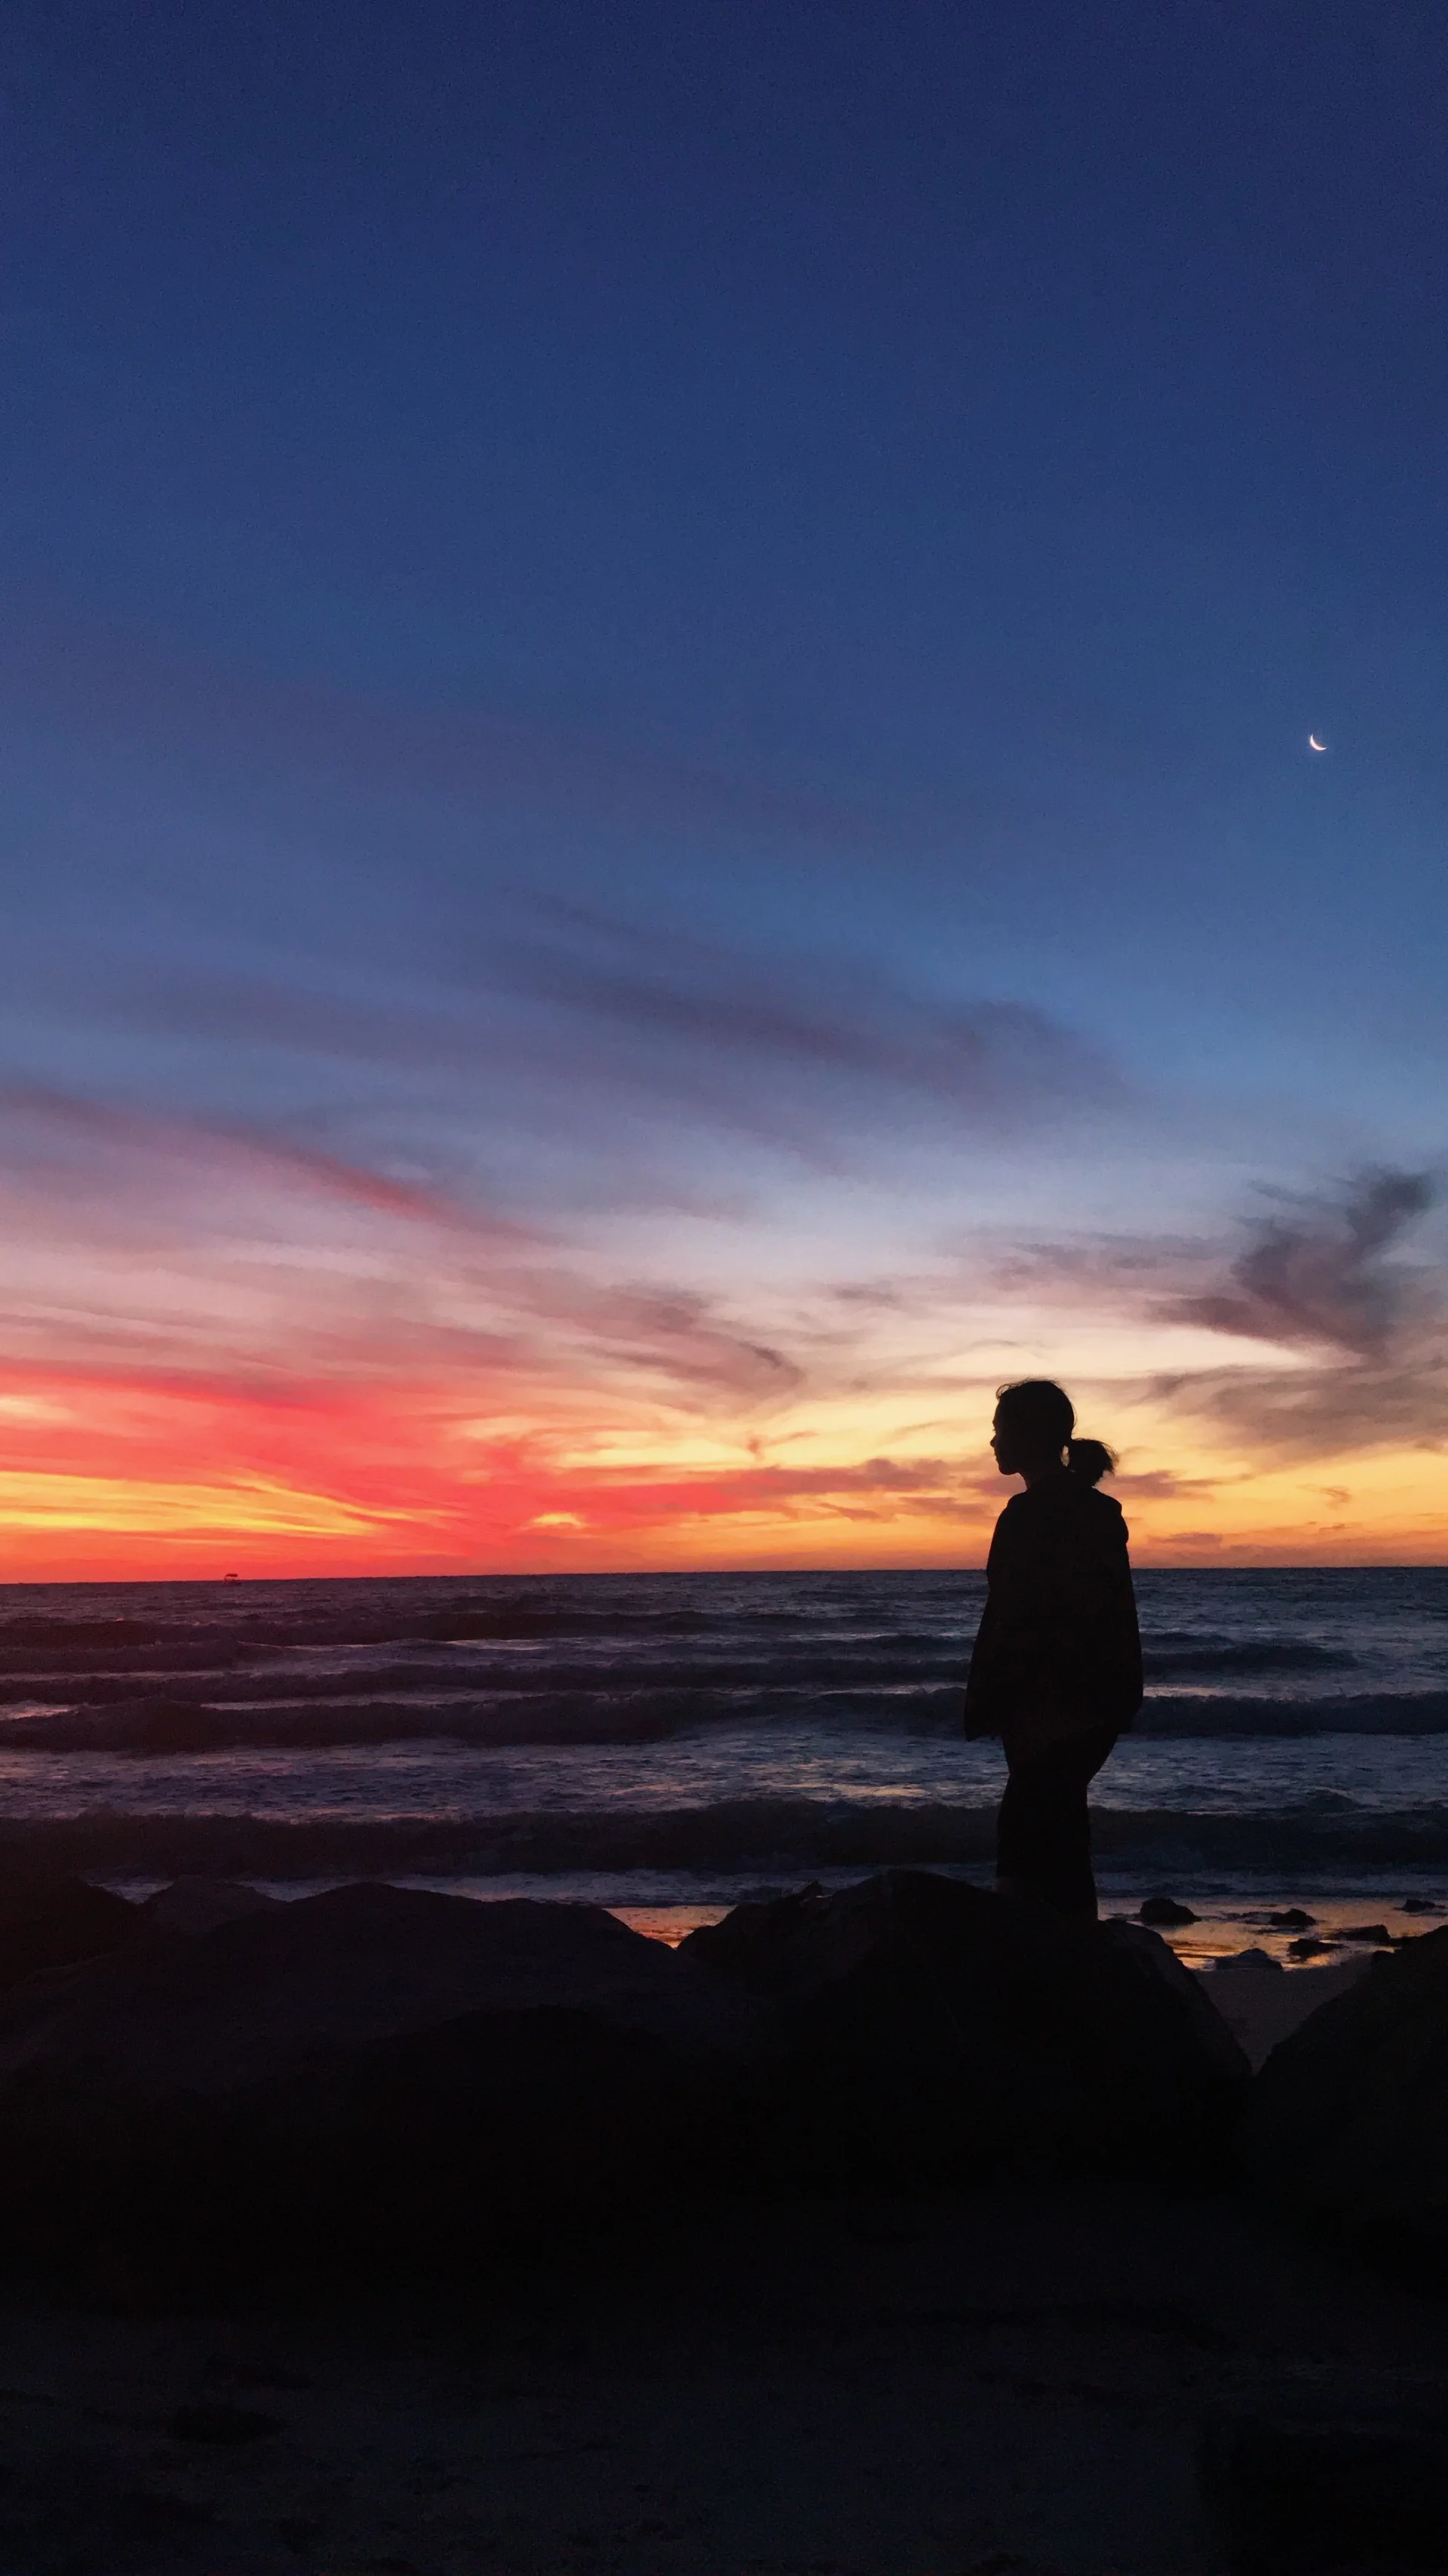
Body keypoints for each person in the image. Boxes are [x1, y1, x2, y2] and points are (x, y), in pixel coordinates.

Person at [963, 1378, 1143, 1920]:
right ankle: (1075, 1962)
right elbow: (1114, 1617)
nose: (992, 1443)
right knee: (1062, 1834)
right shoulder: (1099, 1512)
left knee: (1027, 1839)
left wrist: (1001, 1702)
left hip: (1048, 1706)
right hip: (1093, 1705)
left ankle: (1035, 1967)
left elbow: (1017, 1620)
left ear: (1027, 1434)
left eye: (999, 1431)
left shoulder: (1029, 1515)